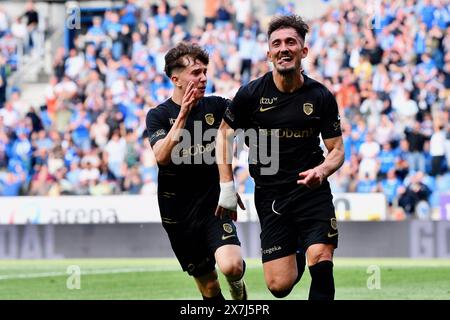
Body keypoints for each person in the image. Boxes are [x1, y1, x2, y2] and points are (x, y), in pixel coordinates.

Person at [215, 15, 344, 300]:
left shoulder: (321, 96)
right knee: (279, 287)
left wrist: (322, 171)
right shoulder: (250, 94)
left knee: (321, 258)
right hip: (271, 194)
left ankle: (309, 248)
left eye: (291, 42)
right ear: (269, 53)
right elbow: (223, 136)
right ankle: (298, 248)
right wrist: (227, 185)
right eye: (277, 44)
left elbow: (336, 150)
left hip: (311, 190)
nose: (284, 48)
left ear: (304, 51)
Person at [145, 42, 247, 301]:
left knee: (232, 266)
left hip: (214, 206)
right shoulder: (157, 116)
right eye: (196, 73)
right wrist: (183, 115)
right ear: (175, 79)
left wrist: (229, 187)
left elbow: (251, 121)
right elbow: (162, 157)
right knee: (210, 287)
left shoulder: (217, 106)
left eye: (204, 72)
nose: (203, 78)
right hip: (179, 215)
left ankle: (238, 288)